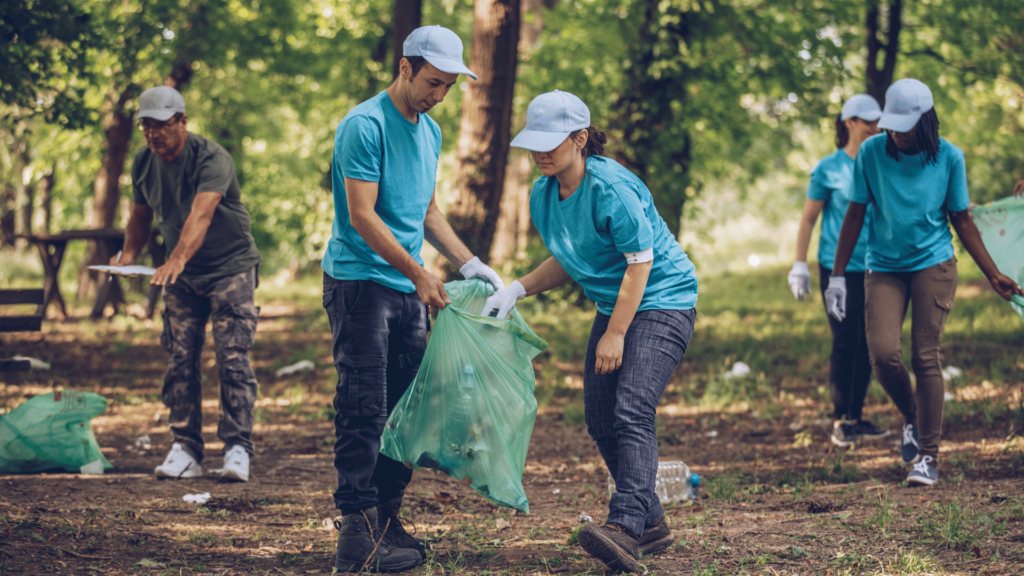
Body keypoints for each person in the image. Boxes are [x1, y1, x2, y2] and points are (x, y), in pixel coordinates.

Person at [483, 91, 699, 573]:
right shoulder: (543, 193)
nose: (540, 151)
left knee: (633, 408)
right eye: (533, 142)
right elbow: (569, 257)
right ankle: (654, 523)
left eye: (551, 141)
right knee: (601, 418)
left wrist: (616, 333)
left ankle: (625, 527)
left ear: (580, 139)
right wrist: (516, 289)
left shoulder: (611, 188)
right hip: (617, 302)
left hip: (664, 298)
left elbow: (640, 264)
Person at [325, 25, 505, 573]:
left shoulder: (429, 131)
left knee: (408, 411)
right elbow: (362, 216)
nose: (439, 95)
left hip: (407, 286)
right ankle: (355, 535)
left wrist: (470, 263)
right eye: (433, 82)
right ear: (405, 68)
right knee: (363, 407)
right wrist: (420, 274)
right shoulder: (365, 125)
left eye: (449, 86)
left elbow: (425, 213)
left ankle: (386, 518)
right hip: (361, 283)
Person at [826, 79, 1024, 487]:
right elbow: (854, 215)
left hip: (933, 263)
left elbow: (962, 221)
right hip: (883, 265)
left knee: (925, 356)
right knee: (883, 354)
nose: (895, 134)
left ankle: (928, 457)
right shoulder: (871, 153)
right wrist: (837, 276)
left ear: (925, 122)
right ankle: (914, 417)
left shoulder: (950, 157)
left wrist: (993, 274)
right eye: (891, 126)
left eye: (904, 126)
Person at [116, 86, 262, 483]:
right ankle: (185, 449)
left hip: (229, 268)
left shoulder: (212, 157)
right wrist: (129, 253)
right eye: (147, 126)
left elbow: (201, 214)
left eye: (162, 125)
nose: (154, 134)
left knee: (232, 358)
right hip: (182, 276)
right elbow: (141, 214)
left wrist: (175, 259)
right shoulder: (144, 162)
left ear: (182, 122)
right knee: (180, 359)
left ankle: (237, 448)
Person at [788, 94, 890, 447]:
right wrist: (799, 265)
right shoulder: (828, 168)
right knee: (846, 339)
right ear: (849, 122)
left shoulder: (880, 161)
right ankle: (839, 419)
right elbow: (808, 219)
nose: (876, 127)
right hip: (838, 268)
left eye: (878, 121)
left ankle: (856, 416)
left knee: (870, 344)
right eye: (868, 121)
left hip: (876, 266)